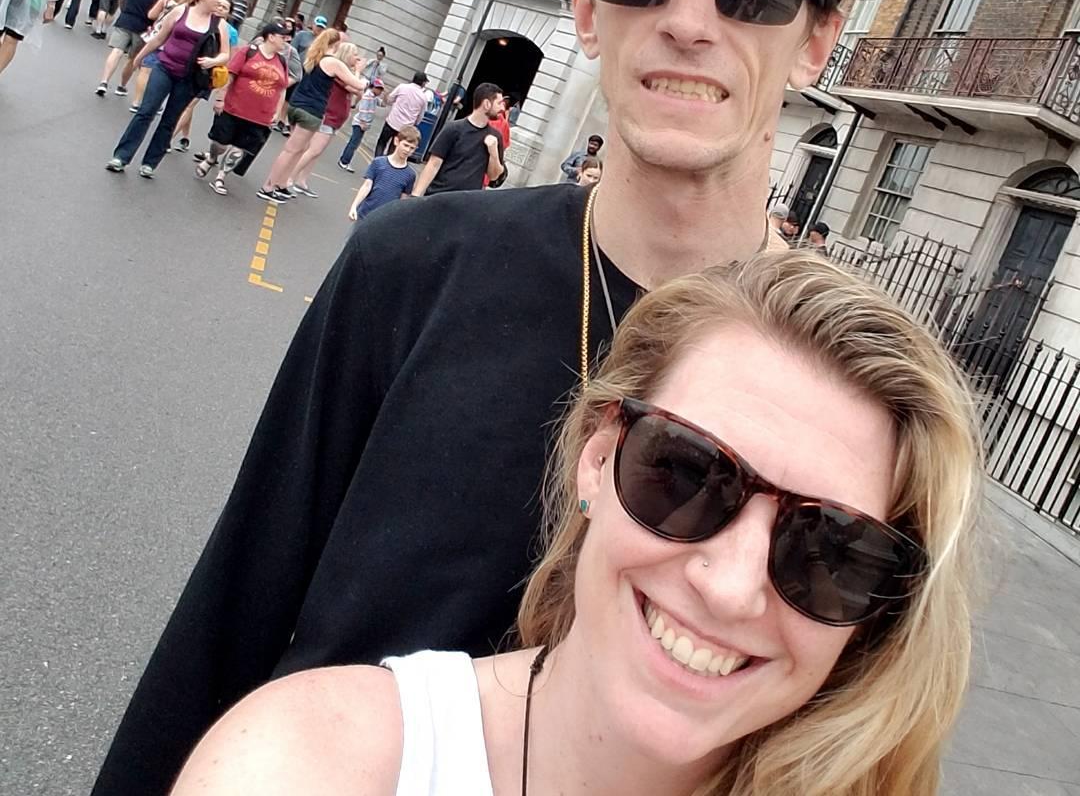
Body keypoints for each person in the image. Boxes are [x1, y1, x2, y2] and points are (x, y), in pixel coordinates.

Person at [90, 0, 874, 796]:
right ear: (586, 7)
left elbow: (848, 731)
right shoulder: (410, 265)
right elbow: (235, 603)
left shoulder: (847, 396)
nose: (688, 18)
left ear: (814, 40)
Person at [169, 251, 981, 796]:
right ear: (597, 460)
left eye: (831, 549)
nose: (732, 587)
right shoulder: (314, 763)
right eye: (688, 473)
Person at [105, 0, 230, 178]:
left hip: (189, 78)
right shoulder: (181, 11)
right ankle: (121, 156)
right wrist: (140, 56)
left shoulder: (218, 24)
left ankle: (150, 163)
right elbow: (159, 38)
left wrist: (213, 61)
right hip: (164, 68)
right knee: (146, 111)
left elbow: (225, 54)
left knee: (169, 120)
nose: (219, 1)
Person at [257, 37, 365, 204]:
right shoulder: (332, 63)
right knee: (293, 150)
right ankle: (268, 186)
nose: (357, 57)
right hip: (311, 109)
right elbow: (358, 86)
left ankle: (281, 184)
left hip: (298, 104)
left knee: (299, 149)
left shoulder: (315, 57)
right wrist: (358, 71)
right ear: (336, 46)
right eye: (354, 53)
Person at [194, 22, 291, 197]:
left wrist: (277, 113)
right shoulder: (249, 52)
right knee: (220, 144)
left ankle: (221, 177)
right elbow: (230, 75)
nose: (286, 40)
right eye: (282, 37)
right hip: (234, 109)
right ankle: (212, 158)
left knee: (240, 149)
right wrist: (220, 98)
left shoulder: (282, 61)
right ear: (271, 37)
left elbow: (282, 88)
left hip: (260, 117)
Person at [171, 0, 241, 152]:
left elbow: (232, 58)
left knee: (189, 104)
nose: (220, 9)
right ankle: (185, 137)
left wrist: (223, 83)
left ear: (229, 13)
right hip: (192, 68)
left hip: (209, 73)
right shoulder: (204, 20)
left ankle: (168, 139)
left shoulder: (231, 32)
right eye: (219, 5)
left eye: (225, 8)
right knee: (187, 102)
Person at [412, 81, 505, 196]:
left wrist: (493, 153)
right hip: (439, 195)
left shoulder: (495, 137)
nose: (502, 108)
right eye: (499, 103)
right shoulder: (453, 128)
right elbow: (433, 164)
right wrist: (416, 195)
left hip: (467, 201)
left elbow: (493, 176)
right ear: (486, 104)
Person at [94, 0, 170, 97]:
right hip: (143, 27)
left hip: (125, 20)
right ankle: (121, 85)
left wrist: (124, 10)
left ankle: (104, 82)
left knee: (116, 51)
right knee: (133, 58)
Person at [128, 0, 199, 112]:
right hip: (175, 43)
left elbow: (151, 15)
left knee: (146, 71)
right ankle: (157, 103)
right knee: (166, 74)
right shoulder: (192, 7)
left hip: (157, 37)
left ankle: (137, 102)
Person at [346, 125, 420, 224]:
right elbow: (366, 186)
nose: (408, 150)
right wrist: (354, 206)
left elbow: (403, 200)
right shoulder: (378, 163)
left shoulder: (410, 175)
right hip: (365, 214)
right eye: (405, 145)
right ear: (396, 141)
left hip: (386, 220)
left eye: (412, 148)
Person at [374, 70, 428, 156]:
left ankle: (377, 161)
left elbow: (390, 100)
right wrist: (414, 124)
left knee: (382, 143)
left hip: (392, 121)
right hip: (405, 128)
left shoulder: (402, 87)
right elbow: (420, 116)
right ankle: (388, 163)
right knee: (394, 149)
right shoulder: (423, 97)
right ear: (423, 83)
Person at [337, 77, 384, 172]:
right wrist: (363, 123)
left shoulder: (374, 98)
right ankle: (344, 161)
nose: (380, 91)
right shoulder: (367, 96)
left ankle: (345, 160)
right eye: (378, 88)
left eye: (381, 89)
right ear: (372, 87)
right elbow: (362, 109)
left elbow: (383, 104)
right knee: (353, 143)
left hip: (364, 124)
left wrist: (386, 96)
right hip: (359, 123)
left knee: (355, 143)